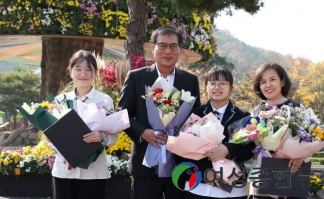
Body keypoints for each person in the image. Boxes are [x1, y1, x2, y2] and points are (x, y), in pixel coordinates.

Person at [117, 24, 201, 199]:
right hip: (145, 162)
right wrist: (143, 132)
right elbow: (122, 114)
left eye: (173, 46)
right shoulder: (136, 77)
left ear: (180, 50)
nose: (167, 51)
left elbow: (195, 118)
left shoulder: (190, 81)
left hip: (179, 163)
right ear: (153, 48)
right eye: (162, 46)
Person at [178, 66, 255, 199]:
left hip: (232, 188)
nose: (217, 87)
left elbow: (249, 150)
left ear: (231, 88)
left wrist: (227, 149)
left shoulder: (243, 116)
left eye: (222, 83)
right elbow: (184, 149)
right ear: (205, 87)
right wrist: (205, 171)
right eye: (212, 83)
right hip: (198, 187)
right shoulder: (196, 113)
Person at [52, 50, 118, 199]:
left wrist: (101, 137)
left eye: (88, 70)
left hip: (94, 172)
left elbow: (114, 136)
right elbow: (49, 136)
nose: (83, 74)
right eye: (78, 69)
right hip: (64, 171)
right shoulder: (60, 101)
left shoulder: (105, 100)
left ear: (95, 73)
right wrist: (52, 138)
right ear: (70, 71)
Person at [249, 63, 307, 199]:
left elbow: (311, 138)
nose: (268, 85)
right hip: (263, 177)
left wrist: (301, 157)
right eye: (263, 82)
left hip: (292, 175)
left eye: (272, 79)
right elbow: (250, 142)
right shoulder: (257, 112)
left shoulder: (297, 108)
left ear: (282, 81)